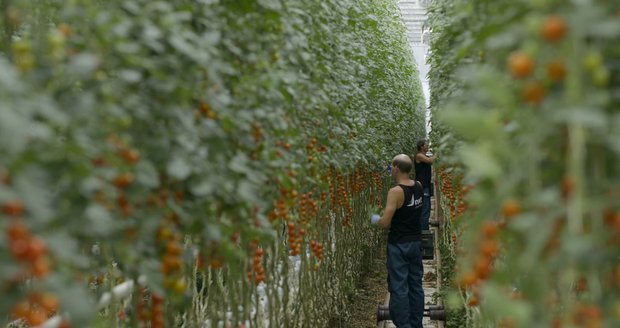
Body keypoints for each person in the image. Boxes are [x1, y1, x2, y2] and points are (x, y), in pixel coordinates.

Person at [376, 154, 424, 328]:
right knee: (416, 285)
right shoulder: (418, 185)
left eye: (391, 166)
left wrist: (374, 218)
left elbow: (385, 223)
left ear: (396, 168)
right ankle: (416, 324)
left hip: (399, 245)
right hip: (416, 243)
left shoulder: (395, 192)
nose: (390, 169)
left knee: (399, 288)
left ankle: (404, 325)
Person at [414, 139, 436, 231]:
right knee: (425, 209)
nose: (428, 146)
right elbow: (430, 161)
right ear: (422, 146)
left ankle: (423, 229)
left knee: (426, 208)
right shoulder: (419, 156)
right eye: (426, 145)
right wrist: (437, 152)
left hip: (425, 185)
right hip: (422, 186)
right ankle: (424, 232)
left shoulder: (423, 155)